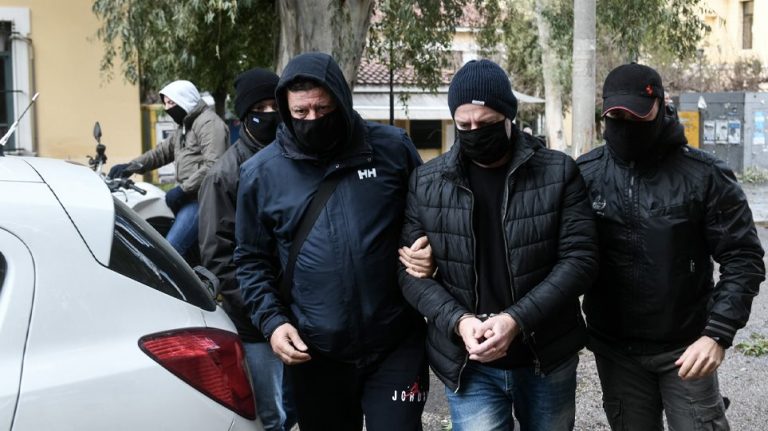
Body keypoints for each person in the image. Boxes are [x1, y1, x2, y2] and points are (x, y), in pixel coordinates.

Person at [234, 52, 432, 431]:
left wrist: (430, 253)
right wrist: (273, 323)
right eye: (301, 112)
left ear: (341, 100)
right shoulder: (260, 173)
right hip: (315, 352)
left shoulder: (392, 148)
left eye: (323, 109)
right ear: (285, 109)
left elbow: (429, 220)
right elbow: (251, 260)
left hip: (395, 343)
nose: (312, 119)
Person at [398, 59, 598, 431]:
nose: (475, 132)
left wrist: (515, 320)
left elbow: (580, 261)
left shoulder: (559, 172)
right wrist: (459, 322)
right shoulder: (426, 182)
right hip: (468, 360)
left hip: (545, 354)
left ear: (509, 117)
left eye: (486, 123)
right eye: (464, 126)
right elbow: (409, 274)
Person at [576, 63, 765, 431]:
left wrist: (717, 333)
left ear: (661, 107)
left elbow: (743, 258)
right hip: (616, 351)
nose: (627, 125)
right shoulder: (585, 174)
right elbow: (557, 251)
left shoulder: (705, 175)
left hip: (687, 346)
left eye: (638, 115)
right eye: (617, 116)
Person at [197, 68, 296, 431]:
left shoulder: (295, 160)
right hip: (256, 323)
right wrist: (264, 312)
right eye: (260, 108)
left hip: (301, 314)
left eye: (275, 106)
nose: (269, 115)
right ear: (243, 116)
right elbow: (218, 256)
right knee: (271, 416)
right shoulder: (224, 175)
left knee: (296, 405)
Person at [109, 80, 228, 257]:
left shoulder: (209, 124)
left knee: (170, 251)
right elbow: (161, 153)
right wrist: (130, 166)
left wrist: (183, 190)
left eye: (171, 103)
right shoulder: (185, 127)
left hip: (201, 199)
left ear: (185, 100)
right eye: (165, 103)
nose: (167, 108)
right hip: (188, 196)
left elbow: (214, 165)